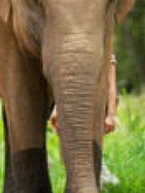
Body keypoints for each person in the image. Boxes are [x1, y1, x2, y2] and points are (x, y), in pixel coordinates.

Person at [50, 53, 120, 185]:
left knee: (90, 138)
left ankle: (99, 170)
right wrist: (57, 108)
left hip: (96, 101)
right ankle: (75, 173)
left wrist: (111, 116)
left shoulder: (105, 49)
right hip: (71, 99)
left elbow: (111, 85)